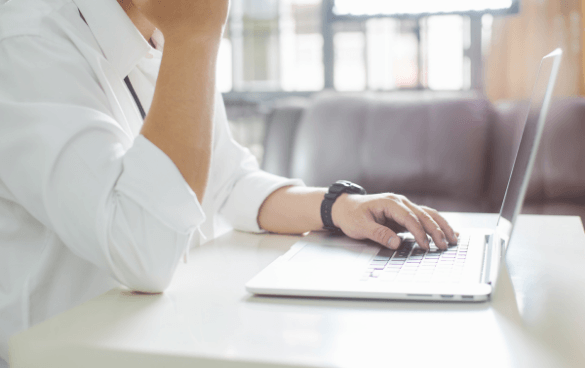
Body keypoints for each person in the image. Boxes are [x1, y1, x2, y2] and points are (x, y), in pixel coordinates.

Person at [0, 0, 458, 365]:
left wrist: (337, 206)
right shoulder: (27, 43)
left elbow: (228, 179)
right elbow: (141, 249)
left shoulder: (158, 33)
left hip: (162, 334)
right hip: (65, 351)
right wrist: (195, 38)